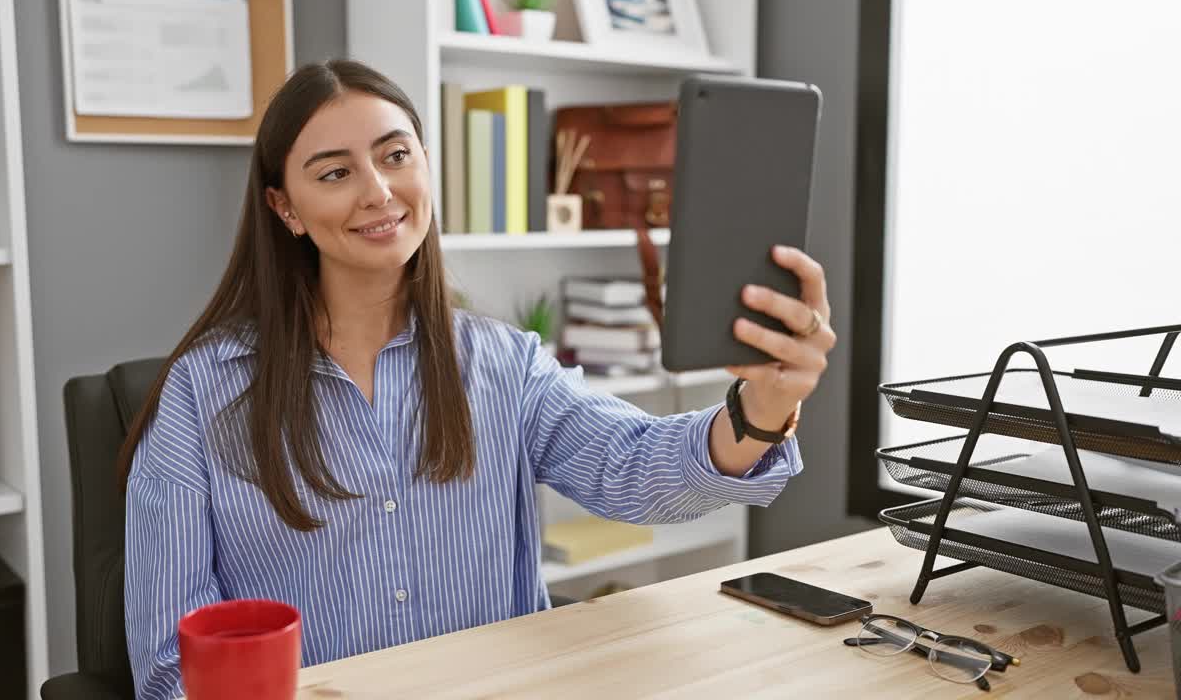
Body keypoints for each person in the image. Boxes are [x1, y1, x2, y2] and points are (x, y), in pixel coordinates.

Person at [120, 59, 837, 700]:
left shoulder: (504, 365)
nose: (377, 192)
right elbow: (169, 667)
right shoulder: (200, 393)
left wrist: (762, 406)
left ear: (426, 166)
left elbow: (636, 468)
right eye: (335, 172)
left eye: (395, 156)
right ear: (286, 208)